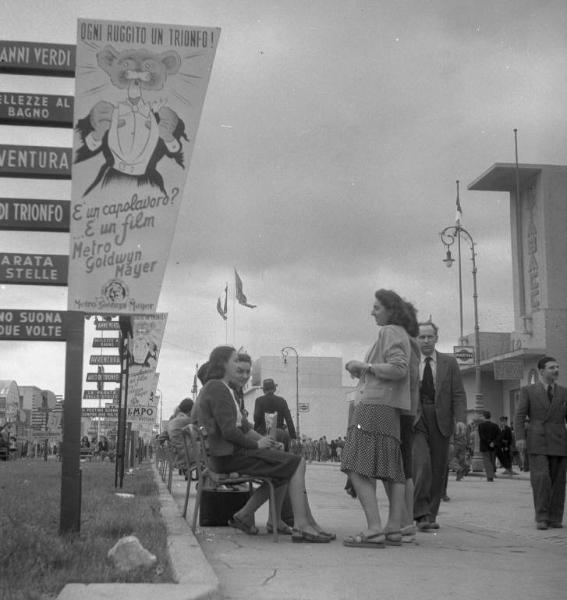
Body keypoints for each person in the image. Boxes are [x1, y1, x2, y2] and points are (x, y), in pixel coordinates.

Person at [194, 345, 332, 542]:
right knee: (297, 463)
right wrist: (257, 446)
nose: (238, 366)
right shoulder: (217, 387)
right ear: (222, 364)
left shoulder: (222, 389)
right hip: (228, 457)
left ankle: (257, 517)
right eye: (235, 361)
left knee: (284, 471)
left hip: (227, 456)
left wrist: (264, 442)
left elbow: (242, 427)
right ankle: (302, 525)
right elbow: (229, 431)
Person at [341, 288, 417, 548]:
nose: (372, 312)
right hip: (391, 408)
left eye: (377, 307)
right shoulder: (403, 333)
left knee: (355, 464)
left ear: (390, 310)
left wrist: (364, 367)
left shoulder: (388, 331)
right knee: (392, 468)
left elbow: (398, 368)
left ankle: (374, 528)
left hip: (373, 406)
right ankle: (394, 528)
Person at [412, 320, 467, 531]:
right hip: (416, 419)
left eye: (429, 336)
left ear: (436, 338)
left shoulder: (449, 363)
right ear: (415, 339)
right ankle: (418, 511)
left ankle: (429, 516)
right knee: (421, 465)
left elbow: (458, 393)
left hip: (440, 418)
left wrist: (460, 418)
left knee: (437, 469)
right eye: (421, 337)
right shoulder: (409, 361)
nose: (426, 341)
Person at [514, 356, 567, 530]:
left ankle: (555, 518)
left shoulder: (564, 392)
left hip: (559, 441)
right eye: (552, 368)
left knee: (559, 481)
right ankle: (542, 517)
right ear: (542, 371)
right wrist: (520, 438)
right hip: (538, 440)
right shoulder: (528, 391)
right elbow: (519, 416)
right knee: (541, 479)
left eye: (557, 367)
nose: (556, 370)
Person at [254, 379, 297, 444]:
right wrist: (293, 436)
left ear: (263, 390)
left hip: (264, 433)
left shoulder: (259, 400)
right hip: (279, 433)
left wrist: (255, 431)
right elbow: (289, 420)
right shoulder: (282, 400)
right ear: (274, 389)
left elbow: (256, 418)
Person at [167, 397, 194, 472]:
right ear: (191, 410)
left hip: (176, 454)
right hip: (186, 454)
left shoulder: (173, 421)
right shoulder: (186, 420)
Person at [477, 411, 500, 482]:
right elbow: (499, 436)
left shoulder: (480, 426)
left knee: (487, 462)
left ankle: (490, 476)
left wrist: (488, 442)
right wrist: (493, 442)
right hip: (493, 446)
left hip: (485, 446)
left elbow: (482, 437)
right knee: (492, 461)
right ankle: (492, 475)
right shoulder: (495, 426)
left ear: (484, 417)